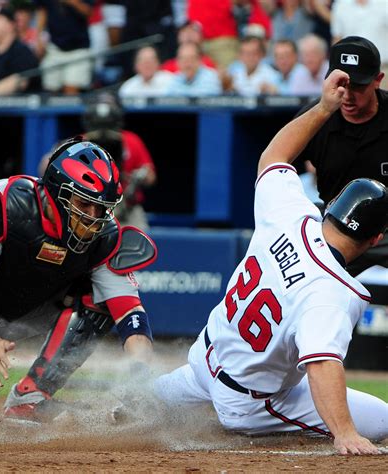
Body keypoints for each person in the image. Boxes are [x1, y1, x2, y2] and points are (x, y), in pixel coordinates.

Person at [154, 69, 388, 455]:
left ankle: (126, 404)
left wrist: (324, 107)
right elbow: (322, 364)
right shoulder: (332, 292)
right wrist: (345, 433)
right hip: (249, 402)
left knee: (142, 402)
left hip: (203, 361)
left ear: (331, 207)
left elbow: (274, 156)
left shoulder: (290, 214)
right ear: (375, 238)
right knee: (382, 421)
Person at [0, 138, 156, 421]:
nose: (93, 218)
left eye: (100, 208)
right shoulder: (4, 202)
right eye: (84, 204)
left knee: (98, 298)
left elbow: (129, 313)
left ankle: (31, 395)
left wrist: (141, 374)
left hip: (23, 303)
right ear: (56, 193)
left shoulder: (105, 239)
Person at [296, 36, 387, 275]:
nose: (347, 95)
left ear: (377, 81)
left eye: (357, 86)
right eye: (341, 84)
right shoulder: (314, 117)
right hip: (335, 228)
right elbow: (274, 166)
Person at [83, 93, 157, 230]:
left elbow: (151, 177)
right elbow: (47, 167)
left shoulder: (131, 140)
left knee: (140, 245)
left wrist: (141, 175)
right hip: (91, 208)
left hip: (128, 208)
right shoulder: (81, 142)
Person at [36, 0, 94, 94]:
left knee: (71, 91)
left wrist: (71, 2)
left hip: (78, 48)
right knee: (50, 90)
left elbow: (89, 12)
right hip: (54, 47)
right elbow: (42, 11)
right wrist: (38, 36)